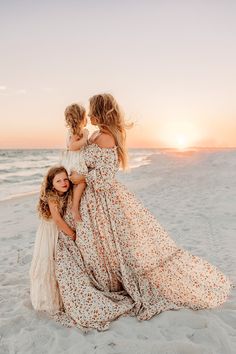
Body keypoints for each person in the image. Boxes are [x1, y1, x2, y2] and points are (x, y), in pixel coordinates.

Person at [54, 93, 232, 331]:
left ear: (101, 112)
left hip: (102, 199)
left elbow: (106, 176)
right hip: (88, 198)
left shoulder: (106, 137)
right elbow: (79, 153)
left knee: (110, 244)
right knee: (93, 245)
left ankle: (113, 285)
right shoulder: (95, 134)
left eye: (93, 110)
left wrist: (81, 176)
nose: (90, 114)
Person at [30, 166, 75, 315]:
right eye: (58, 181)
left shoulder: (64, 193)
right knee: (48, 261)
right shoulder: (52, 197)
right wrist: (72, 234)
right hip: (49, 233)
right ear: (51, 184)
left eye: (65, 179)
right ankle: (49, 297)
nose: (63, 183)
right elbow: (57, 219)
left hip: (55, 231)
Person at [60, 103, 88, 222]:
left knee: (77, 184)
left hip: (72, 159)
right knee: (82, 183)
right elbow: (72, 146)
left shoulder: (72, 131)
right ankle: (75, 208)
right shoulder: (77, 131)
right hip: (75, 160)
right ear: (82, 118)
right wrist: (85, 137)